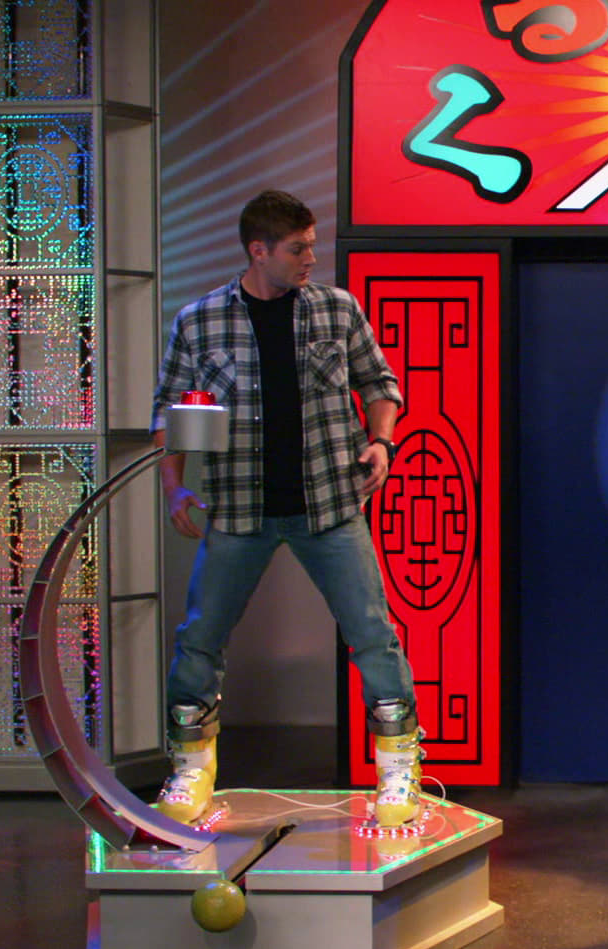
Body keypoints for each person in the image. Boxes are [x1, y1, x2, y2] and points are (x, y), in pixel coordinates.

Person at [150, 189, 421, 828]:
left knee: (373, 636)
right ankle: (191, 770)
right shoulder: (200, 320)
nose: (310, 258)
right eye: (298, 248)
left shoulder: (336, 309)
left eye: (311, 246)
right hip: (239, 508)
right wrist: (175, 487)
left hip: (329, 503)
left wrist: (381, 441)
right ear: (259, 250)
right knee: (200, 639)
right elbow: (169, 412)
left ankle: (398, 770)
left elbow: (380, 384)